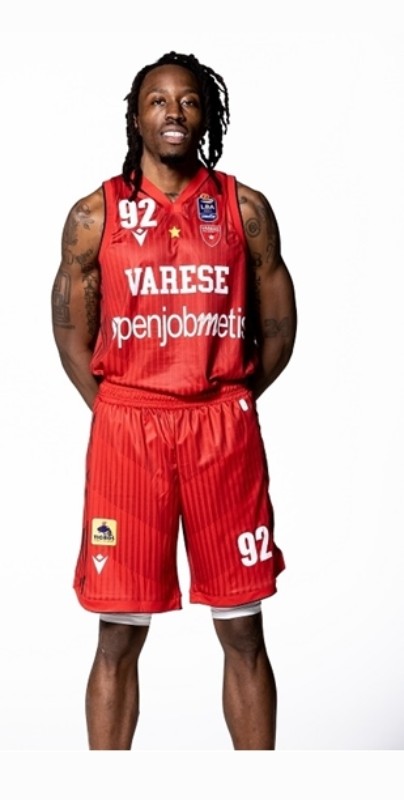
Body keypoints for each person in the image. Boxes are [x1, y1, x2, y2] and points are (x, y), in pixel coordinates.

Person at [51, 50, 297, 751]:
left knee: (243, 629)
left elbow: (279, 326)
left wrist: (229, 396)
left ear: (206, 115)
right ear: (135, 116)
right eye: (157, 100)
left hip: (221, 429)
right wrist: (115, 408)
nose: (173, 112)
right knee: (117, 634)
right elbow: (70, 330)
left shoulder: (244, 209)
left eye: (188, 100)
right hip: (128, 429)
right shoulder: (94, 215)